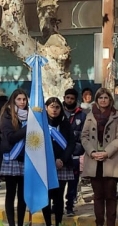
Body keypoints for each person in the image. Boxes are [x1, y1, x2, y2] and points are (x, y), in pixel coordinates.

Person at [82, 88, 118, 226]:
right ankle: (99, 223)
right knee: (98, 195)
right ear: (97, 100)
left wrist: (107, 152)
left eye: (106, 98)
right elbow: (84, 137)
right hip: (94, 160)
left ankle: (110, 223)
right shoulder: (90, 115)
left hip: (110, 159)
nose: (103, 100)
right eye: (100, 98)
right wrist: (92, 152)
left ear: (110, 99)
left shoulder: (117, 116)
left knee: (111, 196)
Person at [42, 97, 75, 226]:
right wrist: (50, 161)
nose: (54, 110)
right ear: (46, 108)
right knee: (47, 196)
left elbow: (71, 143)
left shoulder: (65, 123)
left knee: (58, 196)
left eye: (57, 107)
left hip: (62, 164)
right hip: (46, 165)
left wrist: (62, 159)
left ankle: (58, 223)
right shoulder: (42, 124)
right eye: (52, 107)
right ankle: (48, 223)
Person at [0, 89, 28, 226]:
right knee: (10, 193)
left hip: (25, 158)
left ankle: (20, 223)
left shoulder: (30, 115)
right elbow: (10, 137)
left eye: (24, 99)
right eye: (19, 99)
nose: (22, 102)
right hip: (12, 157)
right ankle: (11, 223)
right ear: (13, 100)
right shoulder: (7, 114)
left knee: (22, 195)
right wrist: (27, 129)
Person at [60, 88, 86, 216]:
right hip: (60, 154)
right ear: (64, 98)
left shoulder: (82, 115)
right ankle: (56, 206)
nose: (69, 100)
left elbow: (84, 135)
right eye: (67, 98)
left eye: (72, 98)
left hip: (75, 154)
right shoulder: (58, 112)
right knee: (59, 183)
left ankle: (69, 206)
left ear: (76, 100)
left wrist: (75, 143)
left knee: (73, 182)